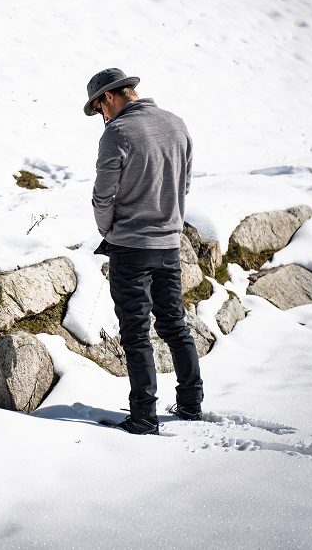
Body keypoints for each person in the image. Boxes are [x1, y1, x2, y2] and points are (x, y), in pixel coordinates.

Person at [85, 67, 204, 435]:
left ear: (109, 96)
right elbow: (184, 185)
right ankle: (191, 404)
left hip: (130, 248)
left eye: (99, 109)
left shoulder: (117, 133)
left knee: (136, 334)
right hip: (169, 244)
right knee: (175, 326)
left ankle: (143, 417)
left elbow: (103, 196)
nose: (102, 117)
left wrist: (108, 231)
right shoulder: (176, 124)